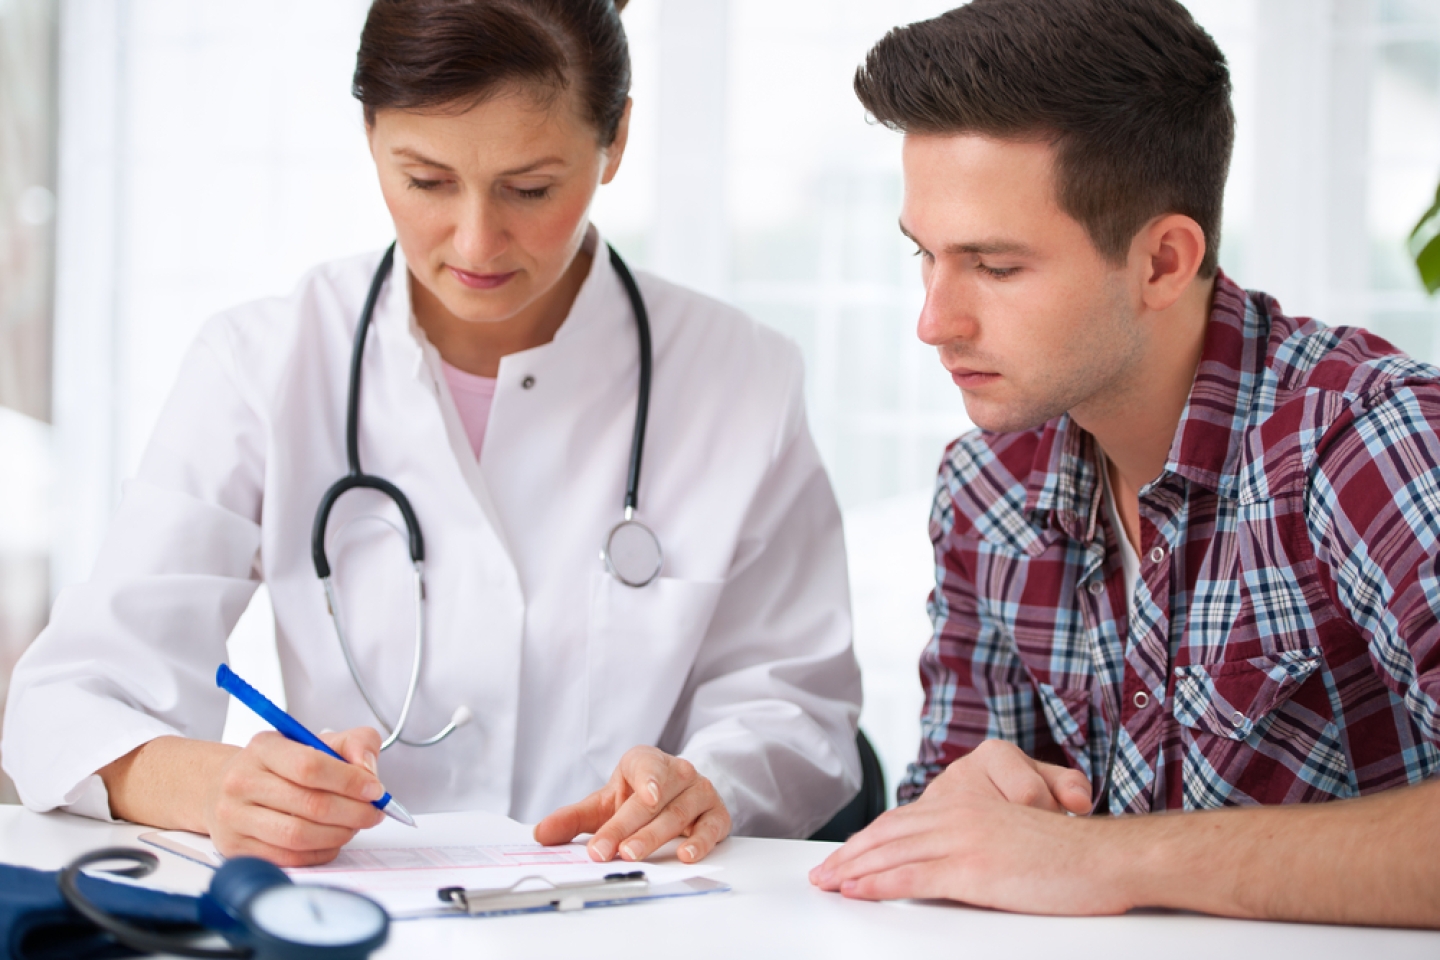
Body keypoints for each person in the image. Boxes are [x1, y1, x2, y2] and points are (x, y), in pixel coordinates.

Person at [3, 0, 862, 868]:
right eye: (425, 181)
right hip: (356, 917)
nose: (476, 240)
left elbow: (800, 710)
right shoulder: (262, 362)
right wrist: (219, 786)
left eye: (531, 189)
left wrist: (700, 784)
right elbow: (68, 700)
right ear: (371, 133)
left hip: (625, 915)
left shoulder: (743, 376)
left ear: (618, 140)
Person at [811, 0, 1440, 928]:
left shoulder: (1367, 443)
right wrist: (962, 809)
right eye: (926, 256)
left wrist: (1105, 859)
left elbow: (1076, 866)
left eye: (995, 266)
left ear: (1162, 262)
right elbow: (943, 861)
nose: (935, 322)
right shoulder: (987, 490)